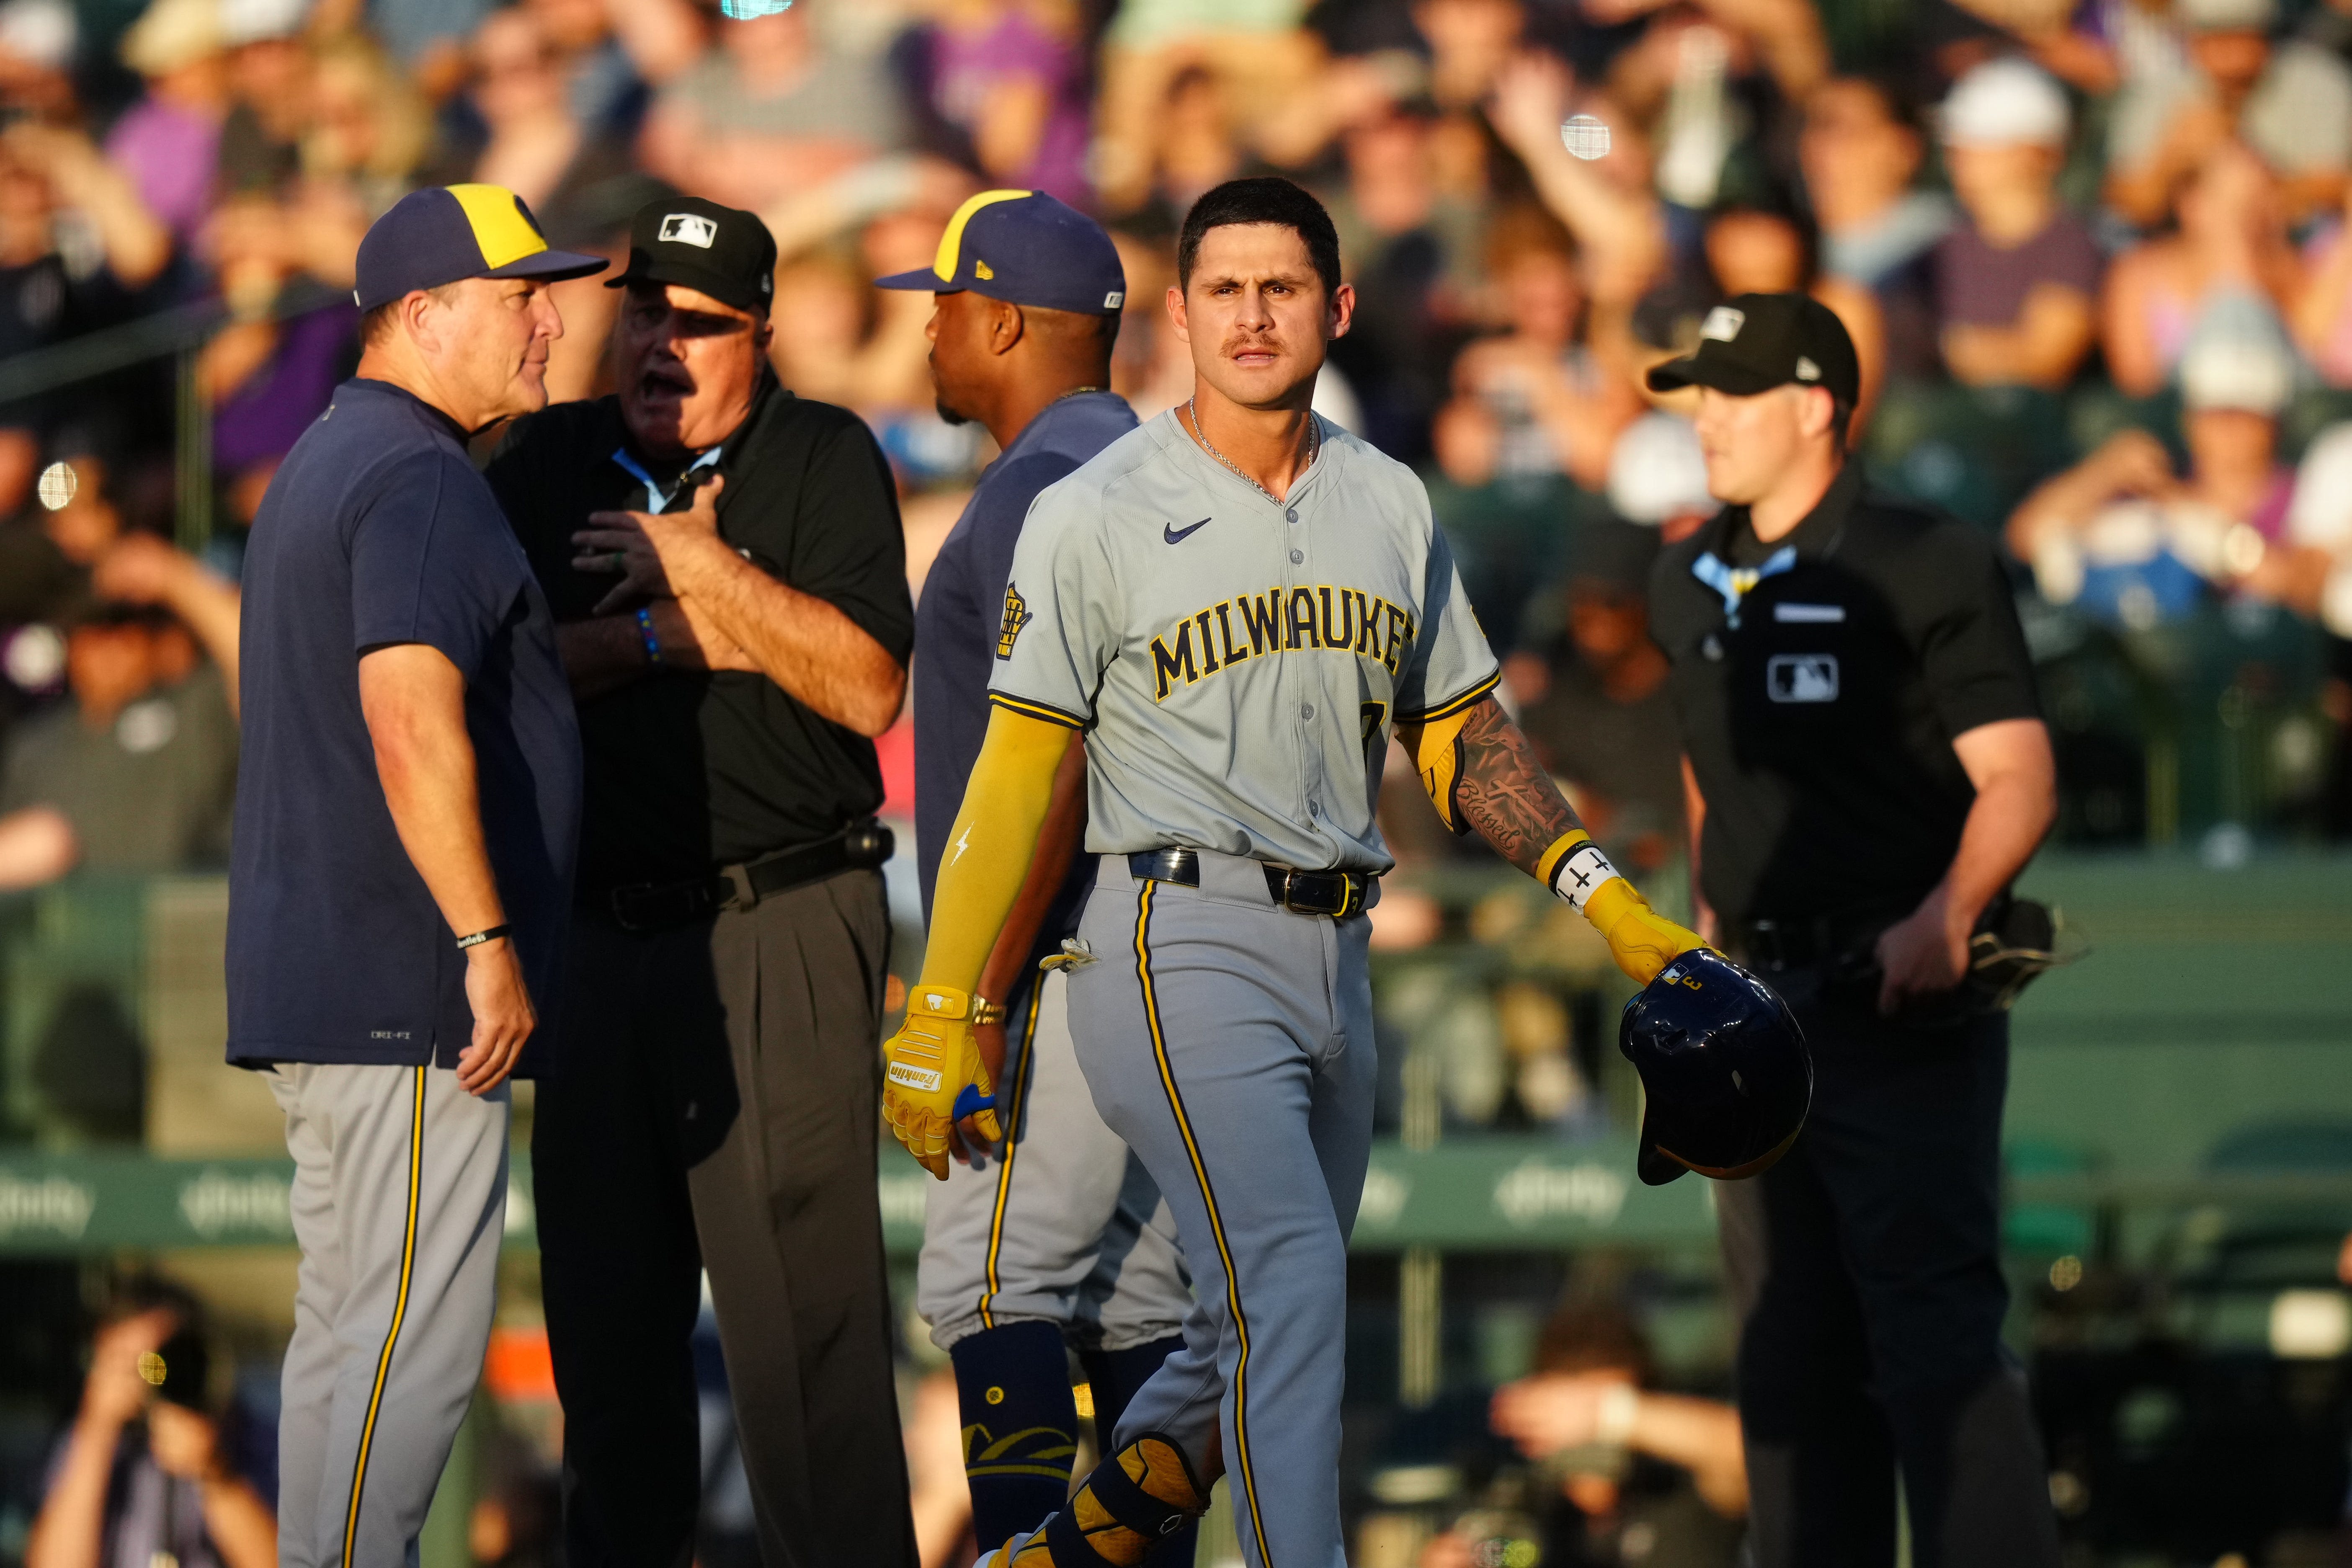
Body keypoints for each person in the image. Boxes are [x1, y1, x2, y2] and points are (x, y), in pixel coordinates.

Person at [883, 175, 1712, 1568]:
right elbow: (1023, 769)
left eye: (1281, 287)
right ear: (1177, 313)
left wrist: (1601, 896)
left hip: (1337, 945)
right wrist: (948, 996)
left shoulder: (1385, 498)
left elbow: (1459, 732)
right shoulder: (1094, 508)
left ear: (1333, 308)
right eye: (1223, 287)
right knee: (1281, 1292)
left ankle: (1048, 1554)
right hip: (1165, 925)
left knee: (1232, 1330)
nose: (1252, 314)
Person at [484, 194, 918, 1568]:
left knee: (811, 1360)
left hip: (780, 918)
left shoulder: (822, 455)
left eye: (703, 322)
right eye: (645, 314)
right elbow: (483, 679)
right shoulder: (548, 459)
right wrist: (685, 631)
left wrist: (709, 566)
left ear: (765, 336)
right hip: (596, 942)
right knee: (607, 1361)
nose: (664, 343)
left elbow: (864, 684)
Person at [1643, 292, 2063, 1565]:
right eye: (1699, 393)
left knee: (1933, 1341)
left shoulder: (1922, 556)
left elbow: (2021, 775)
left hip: (1897, 998)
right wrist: (1710, 916)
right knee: (1784, 1354)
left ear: (1816, 404)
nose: (1706, 417)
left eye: (1734, 392)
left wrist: (1947, 919)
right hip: (1757, 1018)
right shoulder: (1684, 574)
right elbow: (1708, 769)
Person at [224, 183, 601, 1568]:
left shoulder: (336, 454)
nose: (549, 321)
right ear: (424, 317)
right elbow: (406, 711)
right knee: (406, 1354)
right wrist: (482, 932)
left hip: (340, 978)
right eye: (518, 298)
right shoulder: (422, 473)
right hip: (405, 981)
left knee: (349, 1341)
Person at [875, 189, 1198, 1559]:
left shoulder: (1039, 485)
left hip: (1064, 955)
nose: (928, 333)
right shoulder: (1164, 470)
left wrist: (971, 998)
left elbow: (1048, 760)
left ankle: (1014, 1549)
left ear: (999, 318)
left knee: (989, 1284)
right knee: (1138, 1309)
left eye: (939, 304)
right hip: (1185, 953)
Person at [1420, 1302, 1746, 1568]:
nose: (1593, 1438)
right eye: (1568, 1416)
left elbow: (1748, 1450)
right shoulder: (1528, 1516)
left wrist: (1614, 1414)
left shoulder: (1681, 1497)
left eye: (1596, 1415)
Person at [26, 1282, 276, 1568]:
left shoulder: (246, 1433)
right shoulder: (86, 1443)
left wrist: (216, 1475)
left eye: (164, 1359)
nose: (153, 1377)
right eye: (134, 1363)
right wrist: (96, 1430)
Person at [1932, 59, 2101, 392]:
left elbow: (2043, 361)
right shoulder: (1942, 242)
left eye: (1978, 142)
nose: (1958, 154)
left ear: (2032, 152)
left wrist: (1950, 348)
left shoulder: (2071, 246)